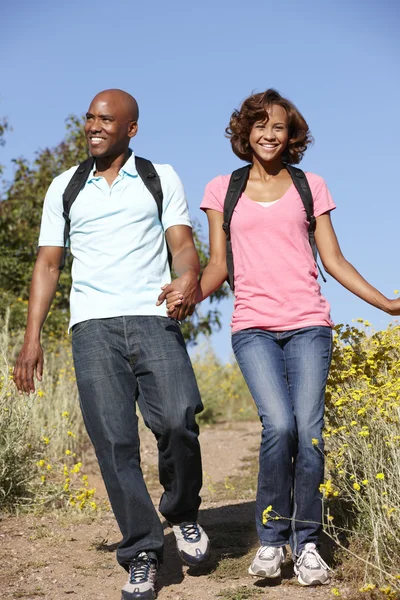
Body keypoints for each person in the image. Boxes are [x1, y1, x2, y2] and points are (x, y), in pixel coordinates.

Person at [159, 89, 400, 587]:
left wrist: (387, 303)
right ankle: (271, 543)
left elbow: (333, 260)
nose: (269, 134)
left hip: (309, 323)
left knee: (309, 432)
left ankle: (306, 543)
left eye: (280, 128)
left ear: (292, 136)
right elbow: (219, 265)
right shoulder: (222, 189)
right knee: (280, 427)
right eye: (260, 125)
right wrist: (187, 299)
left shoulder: (311, 185)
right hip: (254, 327)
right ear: (244, 132)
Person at [13, 88, 210, 600]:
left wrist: (188, 279)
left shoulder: (158, 177)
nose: (94, 127)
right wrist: (31, 338)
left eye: (105, 120)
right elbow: (48, 263)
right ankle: (142, 551)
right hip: (92, 327)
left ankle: (183, 511)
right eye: (89, 119)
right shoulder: (65, 187)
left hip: (152, 317)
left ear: (131, 128)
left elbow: (183, 246)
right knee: (114, 442)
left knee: (178, 418)